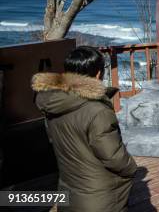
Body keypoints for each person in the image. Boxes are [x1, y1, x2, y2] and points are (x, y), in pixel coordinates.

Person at [31, 46, 137, 212]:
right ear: (98, 74)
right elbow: (114, 157)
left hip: (69, 190)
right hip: (100, 197)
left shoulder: (52, 104)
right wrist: (131, 167)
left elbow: (53, 139)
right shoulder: (98, 111)